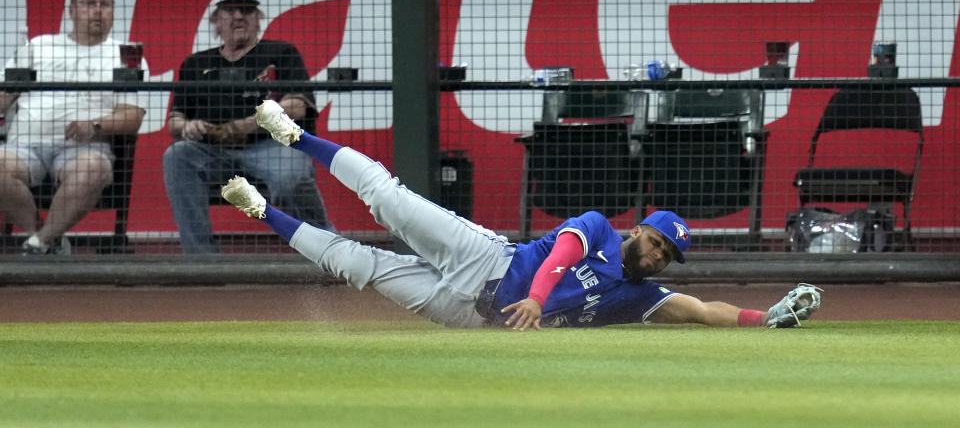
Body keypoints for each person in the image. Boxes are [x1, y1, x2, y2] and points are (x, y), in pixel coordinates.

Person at [220, 99, 822, 330]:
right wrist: (535, 297)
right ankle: (296, 136)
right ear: (638, 229)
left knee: (357, 265)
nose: (659, 254)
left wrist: (761, 318)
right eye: (658, 242)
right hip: (485, 257)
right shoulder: (598, 229)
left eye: (667, 253)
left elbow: (700, 309)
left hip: (471, 314)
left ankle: (260, 209)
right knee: (389, 200)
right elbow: (560, 256)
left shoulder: (641, 295)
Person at [162, 0, 333, 253]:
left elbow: (298, 105)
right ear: (216, 20)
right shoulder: (196, 64)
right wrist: (188, 126)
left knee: (290, 175)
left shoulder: (281, 52)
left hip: (273, 147)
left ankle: (328, 249)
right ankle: (200, 260)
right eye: (230, 10)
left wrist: (247, 125)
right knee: (177, 155)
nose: (239, 16)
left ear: (258, 19)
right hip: (215, 153)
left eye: (247, 9)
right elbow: (174, 121)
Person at [0, 0, 148, 255]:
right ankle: (45, 238)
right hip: (24, 145)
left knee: (94, 170)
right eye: (89, 3)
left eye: (105, 4)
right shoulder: (38, 47)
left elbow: (132, 117)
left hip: (84, 149)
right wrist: (8, 92)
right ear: (71, 10)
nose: (98, 10)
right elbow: (2, 99)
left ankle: (41, 242)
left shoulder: (125, 54)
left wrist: (95, 125)